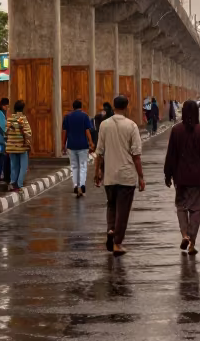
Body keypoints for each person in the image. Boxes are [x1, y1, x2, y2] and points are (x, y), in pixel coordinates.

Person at [93, 94, 145, 256]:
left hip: (110, 174)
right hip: (126, 176)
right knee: (123, 210)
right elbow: (136, 155)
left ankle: (110, 229)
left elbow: (99, 152)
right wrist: (141, 177)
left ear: (114, 106)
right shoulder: (131, 126)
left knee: (111, 205)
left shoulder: (104, 125)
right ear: (126, 106)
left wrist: (97, 173)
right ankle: (117, 243)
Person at [163, 99, 200, 255]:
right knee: (196, 209)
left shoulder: (176, 130)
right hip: (198, 176)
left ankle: (184, 234)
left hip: (180, 176)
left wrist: (168, 174)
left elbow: (171, 154)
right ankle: (191, 242)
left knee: (181, 207)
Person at [62, 98, 95, 197]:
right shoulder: (84, 116)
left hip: (71, 145)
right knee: (83, 165)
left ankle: (76, 185)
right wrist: (91, 142)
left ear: (73, 107)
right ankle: (82, 185)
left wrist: (63, 144)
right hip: (83, 145)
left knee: (74, 166)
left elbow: (65, 132)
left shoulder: (67, 117)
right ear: (81, 107)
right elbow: (87, 130)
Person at [5, 99, 32, 191]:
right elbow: (28, 133)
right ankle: (19, 184)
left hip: (11, 147)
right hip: (21, 146)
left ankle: (13, 183)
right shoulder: (22, 119)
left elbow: (5, 132)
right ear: (22, 109)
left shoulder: (10, 118)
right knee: (23, 166)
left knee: (14, 166)